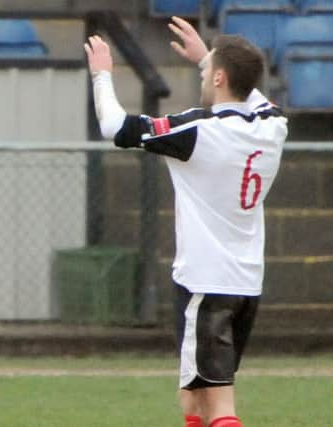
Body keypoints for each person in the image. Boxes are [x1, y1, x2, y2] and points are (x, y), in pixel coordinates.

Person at [84, 16, 287, 427]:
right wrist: (206, 58)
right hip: (245, 283)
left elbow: (114, 126)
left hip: (204, 282)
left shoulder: (198, 130)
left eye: (208, 71)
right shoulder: (273, 125)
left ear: (219, 78)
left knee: (219, 406)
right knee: (194, 401)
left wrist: (102, 76)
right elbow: (251, 94)